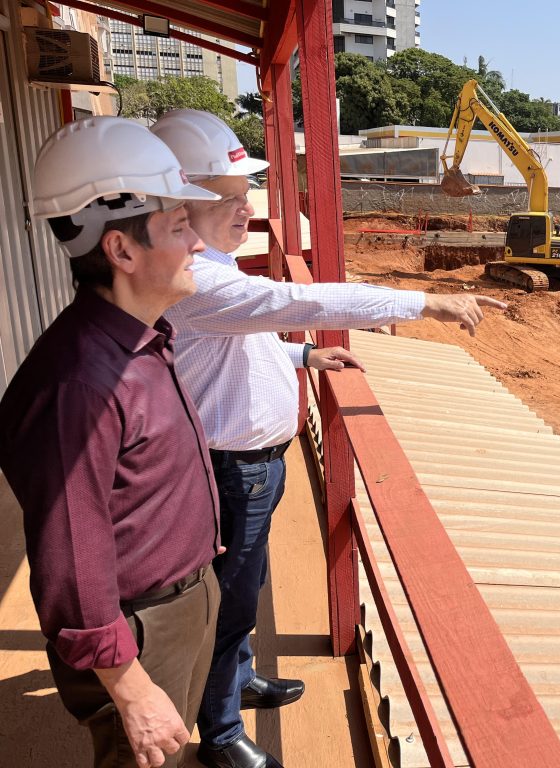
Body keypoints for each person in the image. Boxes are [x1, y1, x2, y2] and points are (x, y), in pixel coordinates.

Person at [150, 109, 505, 768]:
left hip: (254, 464)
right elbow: (301, 303)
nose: (244, 209)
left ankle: (238, 679)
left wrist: (303, 361)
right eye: (225, 200)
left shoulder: (214, 274)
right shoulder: (198, 279)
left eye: (243, 195)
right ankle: (221, 733)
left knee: (245, 586)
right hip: (233, 469)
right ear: (175, 207)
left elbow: (235, 345)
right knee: (229, 600)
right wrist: (422, 302)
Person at [0, 116, 225, 768]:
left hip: (177, 606)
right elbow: (72, 556)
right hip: (140, 628)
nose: (198, 247)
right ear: (122, 251)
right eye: (181, 228)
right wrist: (128, 689)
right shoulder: (80, 383)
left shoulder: (140, 338)